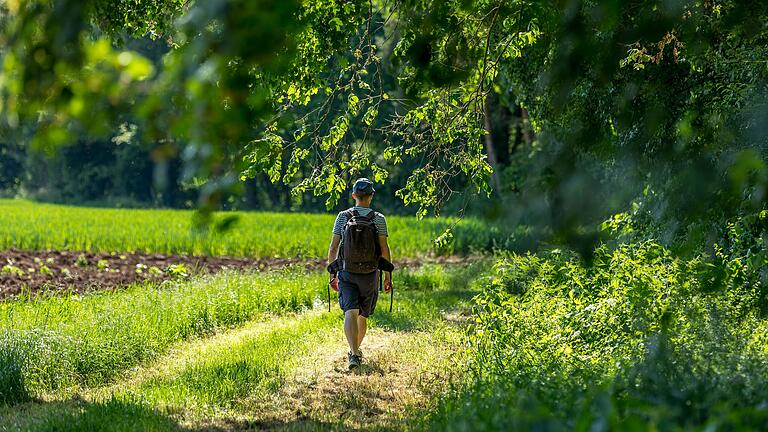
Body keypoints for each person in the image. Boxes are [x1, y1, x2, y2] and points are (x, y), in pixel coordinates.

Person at [327, 178, 392, 369]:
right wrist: (388, 276)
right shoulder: (378, 219)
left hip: (347, 271)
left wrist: (332, 273)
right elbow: (384, 249)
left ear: (354, 195)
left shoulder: (343, 217)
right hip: (370, 274)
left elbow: (333, 248)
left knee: (350, 312)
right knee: (362, 315)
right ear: (371, 196)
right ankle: (356, 351)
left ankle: (353, 353)